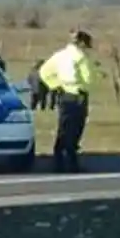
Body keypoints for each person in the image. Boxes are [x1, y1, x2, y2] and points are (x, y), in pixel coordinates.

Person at [39, 29, 94, 174]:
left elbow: (44, 72)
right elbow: (88, 78)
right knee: (75, 130)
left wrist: (56, 86)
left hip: (64, 95)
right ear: (82, 43)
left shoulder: (59, 56)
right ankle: (71, 163)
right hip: (78, 95)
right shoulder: (81, 57)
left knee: (63, 128)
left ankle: (59, 162)